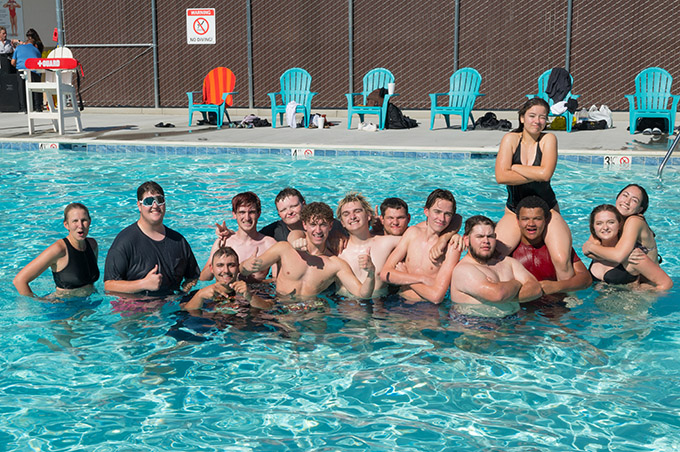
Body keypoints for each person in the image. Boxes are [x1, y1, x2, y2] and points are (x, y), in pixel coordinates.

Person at [494, 98, 574, 280]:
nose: (537, 121)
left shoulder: (549, 139)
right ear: (522, 118)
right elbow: (501, 177)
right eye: (532, 116)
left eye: (542, 117)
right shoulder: (510, 139)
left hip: (548, 211)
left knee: (562, 260)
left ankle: (566, 301)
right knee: (495, 255)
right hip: (514, 211)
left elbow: (546, 175)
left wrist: (515, 167)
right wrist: (536, 172)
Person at [240, 202, 376, 299]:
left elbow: (362, 294)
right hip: (279, 306)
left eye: (322, 225)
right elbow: (244, 271)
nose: (318, 231)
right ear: (304, 225)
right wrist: (246, 266)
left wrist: (370, 274)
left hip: (310, 312)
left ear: (330, 226)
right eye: (313, 225)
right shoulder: (284, 249)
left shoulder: (335, 264)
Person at [104, 181, 200, 297]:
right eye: (148, 201)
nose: (155, 206)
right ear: (139, 206)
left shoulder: (178, 241)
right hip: (139, 307)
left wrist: (183, 293)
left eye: (159, 200)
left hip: (172, 303)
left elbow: (193, 277)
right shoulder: (125, 242)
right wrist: (143, 284)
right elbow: (109, 285)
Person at [450, 215, 543, 318]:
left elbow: (536, 289)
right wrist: (516, 283)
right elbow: (498, 294)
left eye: (490, 236)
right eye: (480, 236)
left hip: (511, 325)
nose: (486, 241)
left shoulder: (508, 262)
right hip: (476, 326)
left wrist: (506, 293)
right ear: (467, 240)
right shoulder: (464, 270)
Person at [380, 189, 463, 304]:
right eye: (437, 212)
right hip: (399, 302)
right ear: (426, 211)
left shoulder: (452, 246)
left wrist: (405, 277)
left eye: (447, 214)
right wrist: (421, 279)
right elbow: (385, 274)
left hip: (427, 309)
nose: (441, 218)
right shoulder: (412, 233)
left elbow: (436, 297)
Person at [13, 203, 99, 298]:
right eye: (75, 221)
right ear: (66, 225)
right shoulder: (59, 249)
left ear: (89, 221)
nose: (80, 225)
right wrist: (38, 302)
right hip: (63, 307)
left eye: (84, 220)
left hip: (90, 303)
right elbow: (19, 281)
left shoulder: (92, 245)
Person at [512, 196, 592, 295]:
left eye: (537, 219)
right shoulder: (509, 249)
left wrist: (557, 286)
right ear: (518, 220)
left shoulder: (556, 247)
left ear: (546, 220)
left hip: (555, 304)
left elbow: (586, 279)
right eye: (525, 219)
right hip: (520, 306)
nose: (531, 224)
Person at [586, 205, 672, 291]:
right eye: (599, 223)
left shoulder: (633, 256)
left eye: (611, 222)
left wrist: (642, 291)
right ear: (593, 227)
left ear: (619, 225)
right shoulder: (594, 250)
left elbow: (666, 283)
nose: (605, 227)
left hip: (628, 302)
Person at [200, 191, 276, 283]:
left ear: (258, 214)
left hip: (255, 294)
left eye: (251, 212)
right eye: (242, 212)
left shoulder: (269, 244)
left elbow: (278, 281)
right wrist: (215, 254)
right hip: (226, 294)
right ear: (234, 214)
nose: (247, 217)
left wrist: (253, 283)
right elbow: (204, 278)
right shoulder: (224, 242)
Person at [335, 192, 401, 297]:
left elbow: (418, 238)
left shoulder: (386, 243)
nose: (352, 217)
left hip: (379, 307)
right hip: (345, 309)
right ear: (342, 222)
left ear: (369, 215)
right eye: (346, 214)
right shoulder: (336, 250)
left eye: (357, 211)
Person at [583, 184, 659, 266]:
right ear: (617, 197)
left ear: (640, 209)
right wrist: (623, 257)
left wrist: (591, 247)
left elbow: (618, 257)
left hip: (646, 277)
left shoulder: (635, 221)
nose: (627, 202)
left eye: (634, 200)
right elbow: (587, 252)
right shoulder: (611, 217)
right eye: (625, 195)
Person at [184, 247, 272, 312]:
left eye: (231, 265)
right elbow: (184, 310)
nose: (226, 270)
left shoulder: (252, 292)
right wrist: (199, 296)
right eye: (220, 265)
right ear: (211, 269)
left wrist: (250, 296)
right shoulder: (199, 294)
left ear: (238, 268)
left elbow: (270, 307)